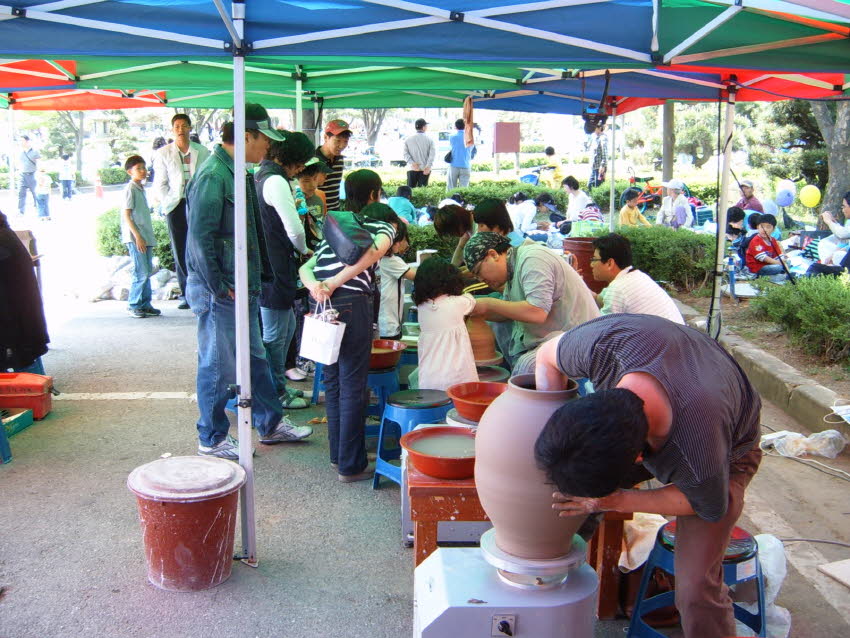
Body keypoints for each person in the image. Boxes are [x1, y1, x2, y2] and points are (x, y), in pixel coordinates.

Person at [533, 314, 762, 638]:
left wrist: (615, 500)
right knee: (559, 486)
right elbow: (546, 356)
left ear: (640, 459)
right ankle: (550, 574)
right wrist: (553, 427)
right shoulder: (601, 347)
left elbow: (704, 504)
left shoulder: (697, 451)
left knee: (695, 591)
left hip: (730, 454)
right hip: (671, 369)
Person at [186, 103, 312, 461]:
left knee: (255, 358)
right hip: (222, 288)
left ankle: (270, 424)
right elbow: (199, 239)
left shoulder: (238, 172)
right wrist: (217, 284)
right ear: (245, 136)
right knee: (218, 363)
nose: (268, 147)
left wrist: (257, 278)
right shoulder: (214, 175)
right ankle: (211, 437)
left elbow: (247, 234)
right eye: (264, 140)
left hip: (241, 285)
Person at [299, 172, 400, 483]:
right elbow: (374, 253)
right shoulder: (380, 225)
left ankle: (338, 456)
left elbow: (305, 266)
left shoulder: (336, 226)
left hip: (322, 304)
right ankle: (351, 465)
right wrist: (333, 283)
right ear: (375, 193)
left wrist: (318, 286)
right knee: (353, 385)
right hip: (351, 303)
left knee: (334, 382)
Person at [463, 232, 599, 374]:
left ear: (493, 255)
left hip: (579, 339)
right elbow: (507, 313)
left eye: (479, 272)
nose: (480, 279)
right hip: (556, 336)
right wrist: (475, 312)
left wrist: (489, 304)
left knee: (526, 366)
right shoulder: (512, 268)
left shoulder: (533, 258)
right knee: (496, 325)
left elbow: (537, 312)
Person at [254, 131, 315, 410]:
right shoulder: (276, 180)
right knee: (275, 335)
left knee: (286, 327)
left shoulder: (262, 174)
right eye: (300, 162)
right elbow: (294, 228)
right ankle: (275, 393)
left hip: (270, 265)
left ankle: (279, 387)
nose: (302, 168)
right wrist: (304, 249)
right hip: (274, 267)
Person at [153, 113, 211, 310]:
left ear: (189, 128)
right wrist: (168, 202)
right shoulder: (164, 153)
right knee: (180, 249)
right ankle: (186, 293)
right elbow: (160, 183)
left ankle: (202, 290)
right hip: (175, 204)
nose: (180, 129)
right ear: (172, 129)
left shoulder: (201, 151)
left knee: (200, 245)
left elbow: (206, 177)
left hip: (197, 202)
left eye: (184, 125)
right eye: (177, 126)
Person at [413, 257, 479, 390]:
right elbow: (472, 301)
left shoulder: (422, 307)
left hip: (429, 377)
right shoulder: (457, 302)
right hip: (456, 378)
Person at [589, 234, 684, 323]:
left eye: (594, 259)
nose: (591, 265)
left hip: (662, 339)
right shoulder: (635, 276)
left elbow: (600, 329)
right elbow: (599, 299)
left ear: (610, 263)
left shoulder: (618, 289)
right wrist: (576, 280)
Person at [0, 210, 49, 373]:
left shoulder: (3, 241)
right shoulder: (5, 234)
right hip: (21, 323)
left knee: (24, 368)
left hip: (14, 325)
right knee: (28, 360)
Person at [121, 156, 160, 319]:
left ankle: (145, 304)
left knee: (147, 271)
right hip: (136, 238)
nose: (143, 171)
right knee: (141, 272)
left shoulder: (140, 188)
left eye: (144, 168)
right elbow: (127, 214)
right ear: (130, 172)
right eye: (139, 168)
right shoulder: (130, 189)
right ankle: (134, 304)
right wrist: (137, 236)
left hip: (145, 236)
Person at [379, 224, 416, 340]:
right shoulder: (391, 261)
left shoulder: (377, 259)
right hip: (389, 324)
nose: (406, 244)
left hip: (379, 323)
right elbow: (418, 276)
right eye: (404, 239)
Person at [316, 119, 352, 213]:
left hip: (335, 212)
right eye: (337, 141)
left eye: (345, 141)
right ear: (325, 137)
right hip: (318, 213)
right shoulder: (314, 160)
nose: (342, 146)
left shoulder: (339, 159)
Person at [295, 158, 329, 250]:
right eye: (306, 181)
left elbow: (323, 221)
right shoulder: (293, 203)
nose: (313, 185)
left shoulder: (320, 196)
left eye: (315, 179)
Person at [745, 213, 786, 279]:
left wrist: (783, 260)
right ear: (758, 227)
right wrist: (778, 263)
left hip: (770, 264)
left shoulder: (773, 240)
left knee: (787, 263)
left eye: (768, 227)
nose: (765, 230)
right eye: (762, 227)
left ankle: (781, 271)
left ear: (774, 229)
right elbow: (763, 258)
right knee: (778, 267)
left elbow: (778, 254)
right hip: (757, 267)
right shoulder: (756, 240)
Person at [404, 118, 435, 188]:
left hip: (411, 169)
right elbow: (432, 155)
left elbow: (405, 154)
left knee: (410, 190)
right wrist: (428, 166)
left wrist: (412, 163)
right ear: (423, 127)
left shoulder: (408, 139)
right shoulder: (430, 140)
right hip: (425, 169)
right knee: (423, 192)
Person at [447, 118, 473, 191]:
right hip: (466, 165)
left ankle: (451, 201)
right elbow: (471, 149)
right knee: (464, 189)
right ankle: (462, 202)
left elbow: (452, 146)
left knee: (451, 188)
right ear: (465, 126)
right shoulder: (470, 138)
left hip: (454, 165)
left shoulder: (452, 137)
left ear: (456, 127)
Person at [17, 136, 40, 216]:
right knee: (21, 193)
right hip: (22, 175)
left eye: (22, 140)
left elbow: (39, 163)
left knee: (35, 193)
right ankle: (21, 211)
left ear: (27, 141)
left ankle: (39, 209)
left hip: (32, 174)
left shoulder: (35, 152)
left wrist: (39, 174)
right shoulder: (19, 152)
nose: (20, 142)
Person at [588, 123, 607, 189]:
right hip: (594, 167)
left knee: (598, 187)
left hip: (599, 168)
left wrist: (603, 165)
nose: (594, 130)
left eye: (595, 128)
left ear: (599, 128)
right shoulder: (595, 137)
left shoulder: (603, 138)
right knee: (590, 185)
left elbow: (605, 152)